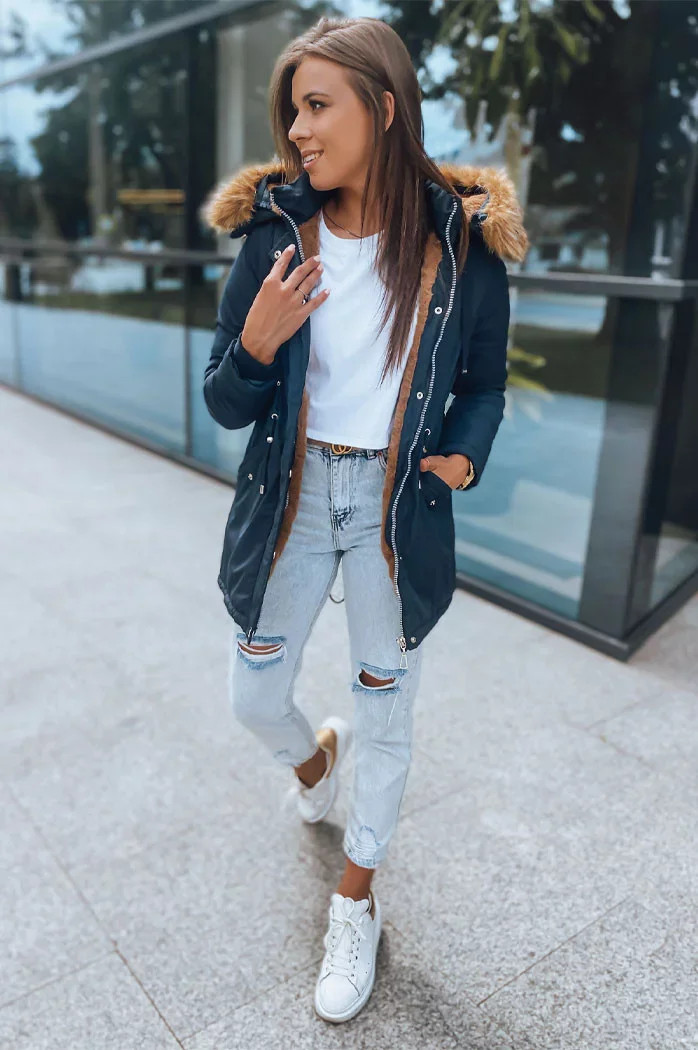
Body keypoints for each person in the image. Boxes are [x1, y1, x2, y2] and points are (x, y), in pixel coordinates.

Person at [201, 14, 528, 1024]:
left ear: (382, 109)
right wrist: (256, 346)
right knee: (254, 693)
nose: (297, 130)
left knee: (385, 712)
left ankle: (356, 901)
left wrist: (464, 453)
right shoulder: (274, 234)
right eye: (291, 111)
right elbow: (223, 398)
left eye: (316, 106)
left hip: (395, 505)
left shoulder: (460, 245)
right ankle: (314, 760)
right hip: (294, 495)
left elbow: (481, 383)